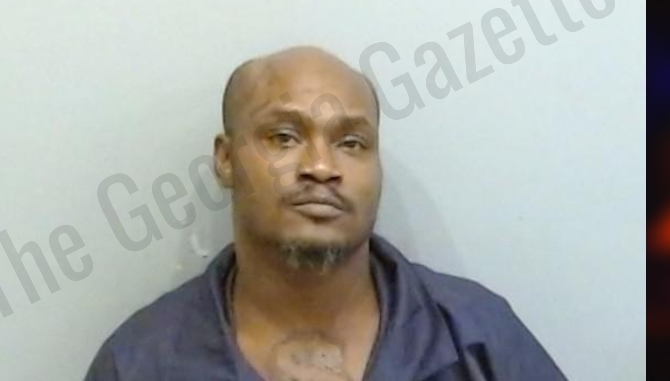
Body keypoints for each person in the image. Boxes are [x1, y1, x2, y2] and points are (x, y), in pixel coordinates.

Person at [85, 46, 567, 380]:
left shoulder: (478, 338)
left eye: (351, 142)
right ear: (226, 160)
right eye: (284, 137)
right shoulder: (140, 364)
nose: (320, 167)